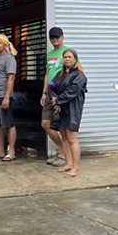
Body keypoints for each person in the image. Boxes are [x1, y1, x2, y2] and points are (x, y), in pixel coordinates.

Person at [48, 49, 87, 178]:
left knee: (72, 139)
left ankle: (75, 168)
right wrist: (55, 102)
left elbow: (73, 90)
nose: (67, 59)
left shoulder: (79, 75)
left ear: (75, 59)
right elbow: (51, 86)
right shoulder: (59, 74)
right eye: (65, 57)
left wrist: (58, 100)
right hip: (60, 109)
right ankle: (69, 163)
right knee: (64, 137)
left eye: (70, 57)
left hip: (73, 109)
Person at [41, 27, 70, 166]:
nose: (55, 39)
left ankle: (64, 155)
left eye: (57, 36)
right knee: (45, 124)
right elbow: (48, 73)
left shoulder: (68, 52)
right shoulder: (50, 54)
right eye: (52, 37)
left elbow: (79, 71)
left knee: (62, 126)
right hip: (50, 93)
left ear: (63, 37)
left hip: (61, 94)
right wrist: (44, 92)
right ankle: (63, 150)